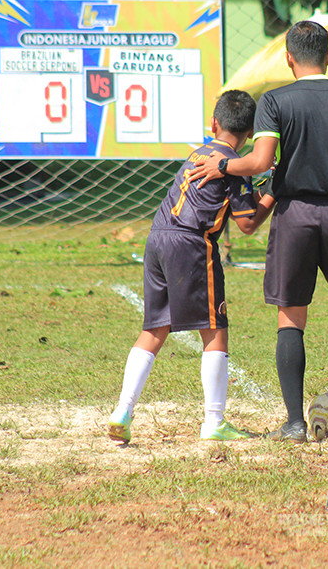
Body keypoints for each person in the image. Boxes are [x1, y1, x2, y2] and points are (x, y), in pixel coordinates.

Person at [188, 20, 328, 442]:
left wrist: (223, 164)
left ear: (288, 58)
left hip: (295, 216)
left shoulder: (276, 101)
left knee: (291, 320)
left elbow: (262, 161)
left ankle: (295, 423)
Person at [107, 90, 275, 445]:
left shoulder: (199, 153)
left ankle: (122, 410)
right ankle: (214, 422)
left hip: (158, 237)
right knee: (215, 331)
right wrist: (274, 191)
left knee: (155, 329)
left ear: (214, 123)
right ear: (249, 135)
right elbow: (247, 224)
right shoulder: (233, 166)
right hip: (192, 244)